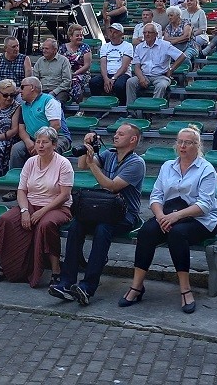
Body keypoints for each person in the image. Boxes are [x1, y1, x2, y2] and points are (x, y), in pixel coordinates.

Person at [119, 127, 217, 314]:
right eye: (180, 142)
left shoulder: (207, 170)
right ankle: (137, 286)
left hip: (201, 220)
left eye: (188, 142)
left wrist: (176, 216)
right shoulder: (167, 166)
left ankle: (185, 289)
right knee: (146, 231)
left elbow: (204, 205)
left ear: (197, 145)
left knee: (177, 234)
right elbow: (156, 196)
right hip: (168, 215)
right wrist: (160, 216)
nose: (182, 146)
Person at [50, 123, 145, 305]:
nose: (115, 136)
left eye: (121, 134)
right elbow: (82, 165)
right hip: (103, 209)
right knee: (76, 225)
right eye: (116, 133)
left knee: (103, 229)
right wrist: (87, 147)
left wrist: (93, 163)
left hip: (126, 214)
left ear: (133, 139)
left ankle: (88, 286)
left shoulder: (136, 163)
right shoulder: (109, 154)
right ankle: (66, 283)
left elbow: (112, 186)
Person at [0, 126, 73, 288]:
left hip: (56, 207)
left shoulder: (64, 164)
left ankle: (56, 271)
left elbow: (64, 195)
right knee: (7, 220)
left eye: (45, 142)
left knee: (46, 224)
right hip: (30, 203)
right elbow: (21, 190)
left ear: (54, 145)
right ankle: (6, 266)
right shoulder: (30, 162)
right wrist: (24, 211)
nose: (40, 146)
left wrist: (42, 212)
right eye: (38, 142)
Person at [126, 24, 185, 107]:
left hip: (161, 76)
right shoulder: (139, 47)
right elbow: (137, 67)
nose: (147, 34)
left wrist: (171, 69)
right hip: (144, 75)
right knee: (130, 82)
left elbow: (182, 56)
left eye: (149, 32)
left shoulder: (165, 45)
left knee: (161, 85)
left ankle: (153, 108)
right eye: (145, 32)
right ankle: (131, 109)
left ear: (156, 34)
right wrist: (141, 78)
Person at [89, 23, 133, 104]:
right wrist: (106, 78)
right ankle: (98, 104)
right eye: (111, 32)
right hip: (108, 73)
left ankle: (122, 106)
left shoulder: (128, 46)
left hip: (122, 74)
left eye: (115, 32)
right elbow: (103, 64)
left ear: (121, 34)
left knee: (119, 85)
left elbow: (124, 67)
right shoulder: (105, 46)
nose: (112, 35)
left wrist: (113, 78)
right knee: (93, 82)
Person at [33, 38, 72, 105]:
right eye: (43, 48)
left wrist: (54, 92)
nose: (44, 51)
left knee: (56, 104)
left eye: (46, 48)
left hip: (59, 91)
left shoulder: (64, 61)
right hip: (42, 91)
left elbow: (67, 81)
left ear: (55, 50)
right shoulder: (40, 61)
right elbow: (35, 79)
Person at [58, 25, 91, 104]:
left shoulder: (85, 47)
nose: (80, 37)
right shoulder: (62, 48)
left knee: (74, 81)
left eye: (81, 35)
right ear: (70, 37)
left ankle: (78, 104)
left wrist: (74, 73)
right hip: (65, 73)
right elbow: (59, 63)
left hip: (81, 73)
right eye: (77, 35)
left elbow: (87, 65)